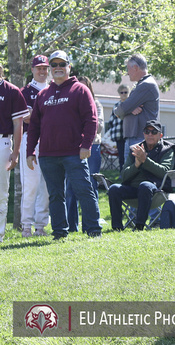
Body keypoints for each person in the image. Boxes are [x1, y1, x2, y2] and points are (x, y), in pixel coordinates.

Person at [26, 50, 101, 239]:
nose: (57, 68)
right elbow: (34, 126)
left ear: (69, 66)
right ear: (50, 68)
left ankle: (93, 229)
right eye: (54, 65)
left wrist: (86, 145)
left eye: (61, 64)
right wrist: (29, 152)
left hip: (74, 153)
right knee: (55, 195)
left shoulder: (80, 90)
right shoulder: (43, 94)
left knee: (83, 190)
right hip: (48, 155)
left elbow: (91, 120)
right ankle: (60, 232)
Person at [109, 120, 174, 231]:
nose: (150, 134)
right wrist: (136, 165)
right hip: (133, 189)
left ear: (160, 135)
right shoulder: (135, 149)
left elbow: (165, 172)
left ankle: (139, 226)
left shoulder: (167, 149)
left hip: (155, 190)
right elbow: (124, 176)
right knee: (114, 188)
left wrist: (145, 160)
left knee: (145, 186)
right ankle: (117, 227)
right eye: (147, 131)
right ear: (143, 134)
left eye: (154, 132)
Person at [65, 76, 103, 232]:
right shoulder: (68, 103)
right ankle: (71, 227)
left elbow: (98, 126)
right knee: (70, 188)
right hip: (72, 149)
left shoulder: (96, 104)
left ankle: (90, 225)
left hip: (92, 147)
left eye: (85, 86)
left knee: (90, 186)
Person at [20, 55, 51, 238]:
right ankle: (26, 226)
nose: (42, 71)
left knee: (46, 186)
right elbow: (25, 118)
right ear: (32, 70)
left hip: (49, 141)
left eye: (44, 68)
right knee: (30, 185)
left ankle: (40, 226)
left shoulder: (53, 90)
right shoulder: (24, 92)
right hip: (29, 139)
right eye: (38, 68)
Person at [0, 66, 28, 243]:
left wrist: (16, 152)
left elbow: (19, 125)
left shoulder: (11, 91)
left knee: (1, 192)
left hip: (2, 142)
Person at [114, 54, 159, 161]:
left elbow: (121, 109)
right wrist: (130, 109)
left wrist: (125, 110)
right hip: (136, 137)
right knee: (130, 173)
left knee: (134, 175)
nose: (127, 73)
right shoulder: (144, 84)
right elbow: (124, 109)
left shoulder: (146, 85)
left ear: (135, 68)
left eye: (128, 69)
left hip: (139, 138)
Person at [107, 84, 130, 172]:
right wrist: (112, 132)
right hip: (119, 135)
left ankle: (128, 173)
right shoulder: (116, 106)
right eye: (122, 92)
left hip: (128, 134)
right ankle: (122, 173)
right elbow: (111, 121)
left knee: (128, 156)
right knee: (121, 156)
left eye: (126, 92)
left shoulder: (130, 105)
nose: (124, 94)